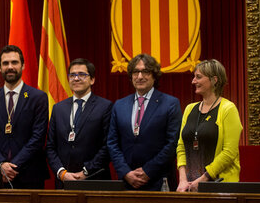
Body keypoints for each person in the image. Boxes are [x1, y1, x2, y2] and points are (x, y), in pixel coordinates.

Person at [107, 53, 182, 190]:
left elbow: (173, 144)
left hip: (158, 181)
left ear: (154, 75)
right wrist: (126, 172)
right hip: (126, 183)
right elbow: (112, 143)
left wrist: (148, 171)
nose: (140, 76)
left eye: (145, 71)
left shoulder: (170, 103)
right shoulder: (119, 105)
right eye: (136, 72)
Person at [0, 45, 49, 189]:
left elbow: (38, 138)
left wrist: (13, 167)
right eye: (5, 63)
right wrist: (1, 164)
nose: (10, 67)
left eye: (14, 62)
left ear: (23, 65)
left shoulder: (38, 97)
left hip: (30, 174)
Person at [176, 59, 242, 192]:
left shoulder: (228, 109)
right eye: (194, 77)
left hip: (219, 186)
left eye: (198, 77)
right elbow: (181, 147)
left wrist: (203, 180)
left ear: (214, 80)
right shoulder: (189, 109)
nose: (193, 81)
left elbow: (229, 152)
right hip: (189, 187)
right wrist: (183, 180)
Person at [47, 58, 113, 188]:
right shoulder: (58, 108)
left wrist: (86, 172)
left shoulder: (105, 107)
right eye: (72, 75)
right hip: (64, 182)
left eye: (82, 75)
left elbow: (108, 146)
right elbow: (50, 146)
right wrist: (61, 172)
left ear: (92, 80)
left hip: (95, 180)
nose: (76, 79)